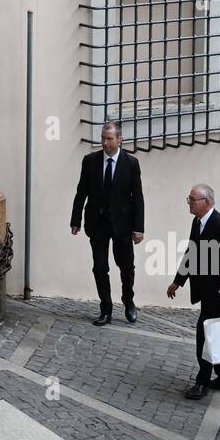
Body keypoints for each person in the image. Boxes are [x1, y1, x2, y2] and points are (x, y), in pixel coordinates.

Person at [70, 120, 145, 325]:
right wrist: (75, 219)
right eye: (103, 138)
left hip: (122, 224)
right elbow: (81, 192)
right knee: (100, 267)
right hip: (98, 223)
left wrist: (139, 228)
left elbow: (137, 197)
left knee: (126, 266)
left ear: (120, 140)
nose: (105, 143)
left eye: (109, 139)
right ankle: (106, 308)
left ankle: (128, 302)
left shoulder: (131, 164)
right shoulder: (90, 161)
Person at [167, 184, 220, 399]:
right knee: (213, 335)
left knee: (205, 336)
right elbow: (191, 253)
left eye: (192, 199)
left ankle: (203, 381)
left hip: (217, 293)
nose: (189, 203)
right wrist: (178, 281)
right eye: (188, 198)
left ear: (206, 202)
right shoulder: (197, 222)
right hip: (205, 291)